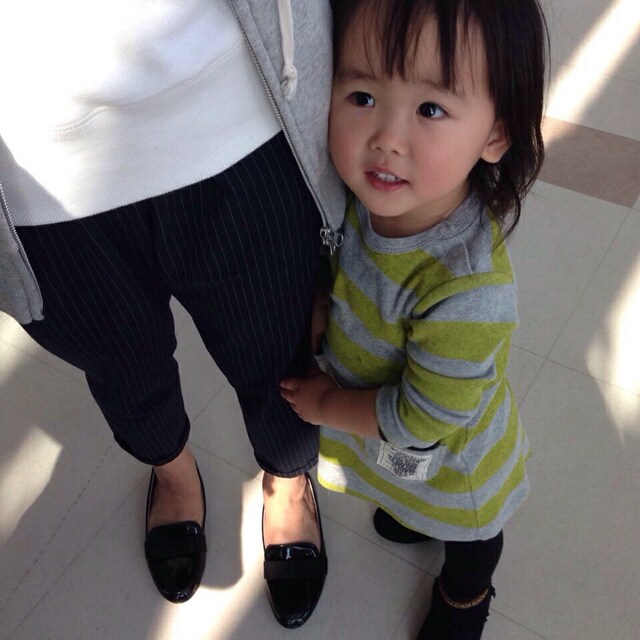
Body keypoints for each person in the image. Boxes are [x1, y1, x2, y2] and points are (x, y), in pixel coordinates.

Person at [0, 0, 344, 628]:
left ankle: (288, 480)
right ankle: (172, 469)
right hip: (32, 162)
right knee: (121, 367)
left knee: (279, 348)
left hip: (235, 104)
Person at [279, 0, 547, 637]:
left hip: (454, 461)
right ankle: (413, 513)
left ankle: (465, 600)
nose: (386, 138)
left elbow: (420, 421)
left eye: (430, 109)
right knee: (406, 494)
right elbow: (340, 267)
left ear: (496, 135)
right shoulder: (355, 200)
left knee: (470, 539)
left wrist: (322, 404)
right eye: (362, 96)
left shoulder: (466, 289)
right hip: (389, 439)